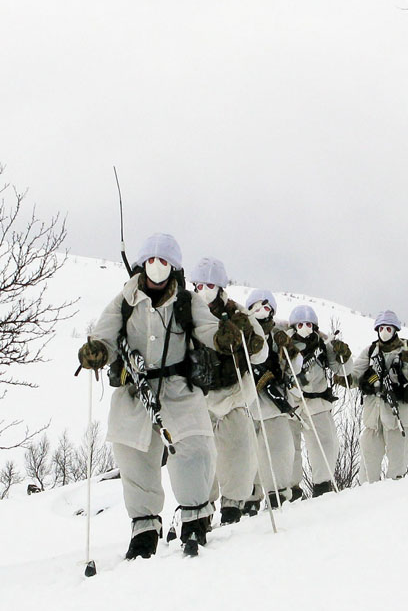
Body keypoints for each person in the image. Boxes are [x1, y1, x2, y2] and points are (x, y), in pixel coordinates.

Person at [77, 234, 249, 558]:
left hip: (178, 388)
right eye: (152, 262)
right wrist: (98, 350)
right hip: (134, 388)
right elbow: (106, 334)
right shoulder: (125, 300)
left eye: (165, 263)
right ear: (142, 264)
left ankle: (196, 519)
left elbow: (207, 328)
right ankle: (144, 530)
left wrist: (224, 337)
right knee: (134, 456)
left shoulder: (186, 301)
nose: (157, 269)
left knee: (195, 448)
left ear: (174, 268)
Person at [189, 258, 267, 526]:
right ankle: (200, 505)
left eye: (210, 285)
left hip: (234, 392)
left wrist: (250, 339)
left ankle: (233, 504)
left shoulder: (238, 314)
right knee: (201, 453)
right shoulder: (187, 314)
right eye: (198, 285)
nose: (204, 291)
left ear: (221, 288)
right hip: (200, 395)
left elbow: (261, 354)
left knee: (238, 450)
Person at [281, 304, 353, 496]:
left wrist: (343, 356)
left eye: (309, 324)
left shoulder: (322, 345)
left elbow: (342, 371)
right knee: (289, 449)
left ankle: (322, 486)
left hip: (317, 402)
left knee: (326, 444)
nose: (305, 328)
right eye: (301, 324)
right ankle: (290, 490)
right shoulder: (283, 344)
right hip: (291, 403)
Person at [352, 311, 408, 482]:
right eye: (382, 328)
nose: (385, 332)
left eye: (389, 328)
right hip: (373, 419)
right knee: (368, 470)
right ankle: (367, 500)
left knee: (397, 471)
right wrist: (344, 377)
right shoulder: (371, 351)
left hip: (398, 419)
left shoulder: (405, 352)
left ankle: (395, 503)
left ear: (395, 330)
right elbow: (354, 375)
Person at [244, 289, 297, 511]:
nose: (261, 311)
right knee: (248, 452)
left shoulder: (278, 336)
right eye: (257, 306)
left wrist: (290, 350)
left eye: (266, 308)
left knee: (278, 450)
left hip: (273, 403)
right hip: (246, 402)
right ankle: (248, 497)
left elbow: (296, 366)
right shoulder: (241, 332)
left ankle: (278, 493)